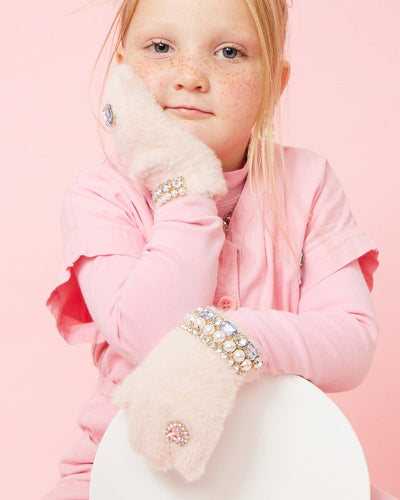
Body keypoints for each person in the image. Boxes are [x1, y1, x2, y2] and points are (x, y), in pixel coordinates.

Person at [42, 0, 397, 498]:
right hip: (126, 471)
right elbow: (150, 337)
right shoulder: (101, 194)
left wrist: (230, 339)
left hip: (283, 466)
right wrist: (182, 185)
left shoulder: (308, 181)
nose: (190, 76)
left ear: (273, 86)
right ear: (122, 71)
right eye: (161, 47)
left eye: (229, 52)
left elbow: (352, 341)